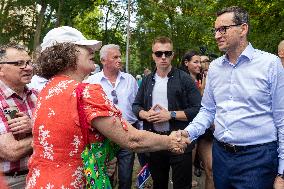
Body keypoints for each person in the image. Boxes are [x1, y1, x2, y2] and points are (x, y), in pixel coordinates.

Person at [26, 26, 189, 189]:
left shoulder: (46, 90)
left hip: (39, 181)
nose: (92, 52)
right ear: (67, 53)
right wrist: (170, 141)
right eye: (86, 48)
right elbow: (131, 139)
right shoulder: (85, 92)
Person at [184, 6, 284, 189]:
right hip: (221, 156)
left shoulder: (270, 64)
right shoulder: (214, 68)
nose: (217, 35)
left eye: (223, 29)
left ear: (243, 29)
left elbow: (282, 119)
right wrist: (188, 133)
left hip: (258, 159)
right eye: (215, 30)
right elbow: (207, 110)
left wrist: (282, 173)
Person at [133, 36, 201, 189]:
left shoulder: (184, 79)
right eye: (159, 53)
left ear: (172, 55)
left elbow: (198, 109)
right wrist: (144, 114)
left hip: (179, 140)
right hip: (155, 142)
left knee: (182, 186)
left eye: (167, 53)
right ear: (153, 55)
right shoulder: (146, 80)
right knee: (159, 184)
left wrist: (171, 114)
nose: (163, 57)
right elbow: (136, 106)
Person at [85, 44, 139, 189]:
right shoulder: (91, 82)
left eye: (120, 56)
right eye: (115, 57)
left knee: (126, 177)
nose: (120, 60)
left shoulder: (130, 80)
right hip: (102, 137)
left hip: (127, 133)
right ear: (103, 60)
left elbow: (136, 106)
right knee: (104, 177)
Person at [0, 43, 36, 188]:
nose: (28, 68)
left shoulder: (37, 96)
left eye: (28, 62)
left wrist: (33, 126)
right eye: (19, 63)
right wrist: (45, 132)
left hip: (38, 175)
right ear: (1, 69)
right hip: (9, 182)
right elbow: (11, 150)